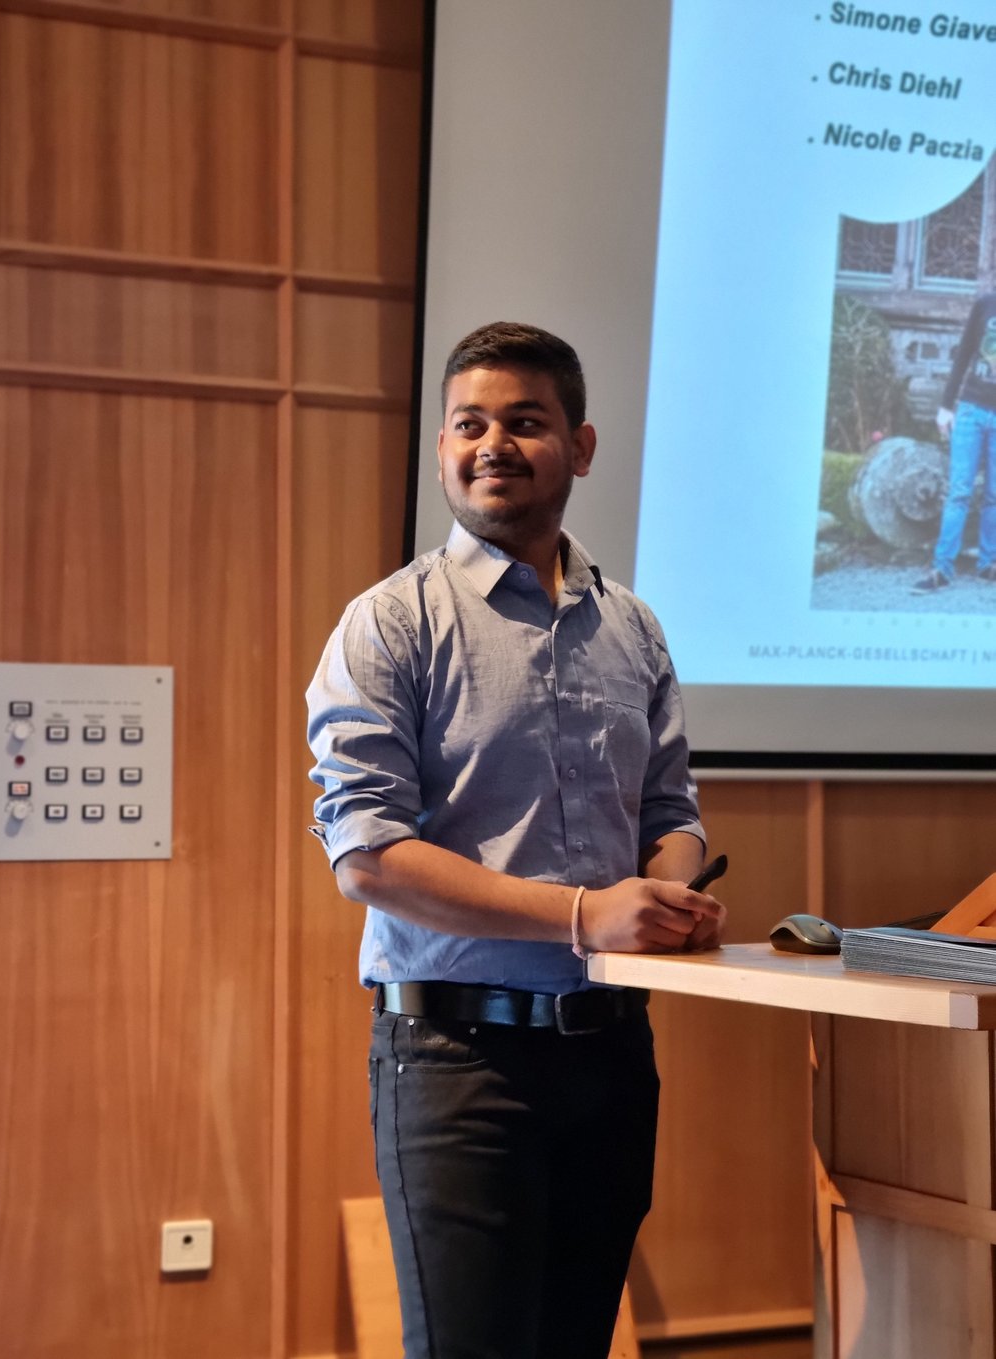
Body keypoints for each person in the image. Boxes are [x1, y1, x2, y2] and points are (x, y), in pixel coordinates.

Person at [306, 321, 725, 1359]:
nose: (492, 444)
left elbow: (669, 815)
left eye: (524, 423)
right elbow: (366, 854)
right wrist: (588, 916)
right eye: (468, 425)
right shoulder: (390, 622)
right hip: (456, 1062)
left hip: (611, 1055)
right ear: (443, 449)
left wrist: (669, 891)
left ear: (578, 448)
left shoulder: (632, 626)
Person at [914, 291, 996, 593]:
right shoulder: (986, 305)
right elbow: (963, 355)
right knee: (959, 490)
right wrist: (946, 406)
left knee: (994, 494)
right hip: (972, 409)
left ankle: (988, 564)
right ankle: (942, 569)